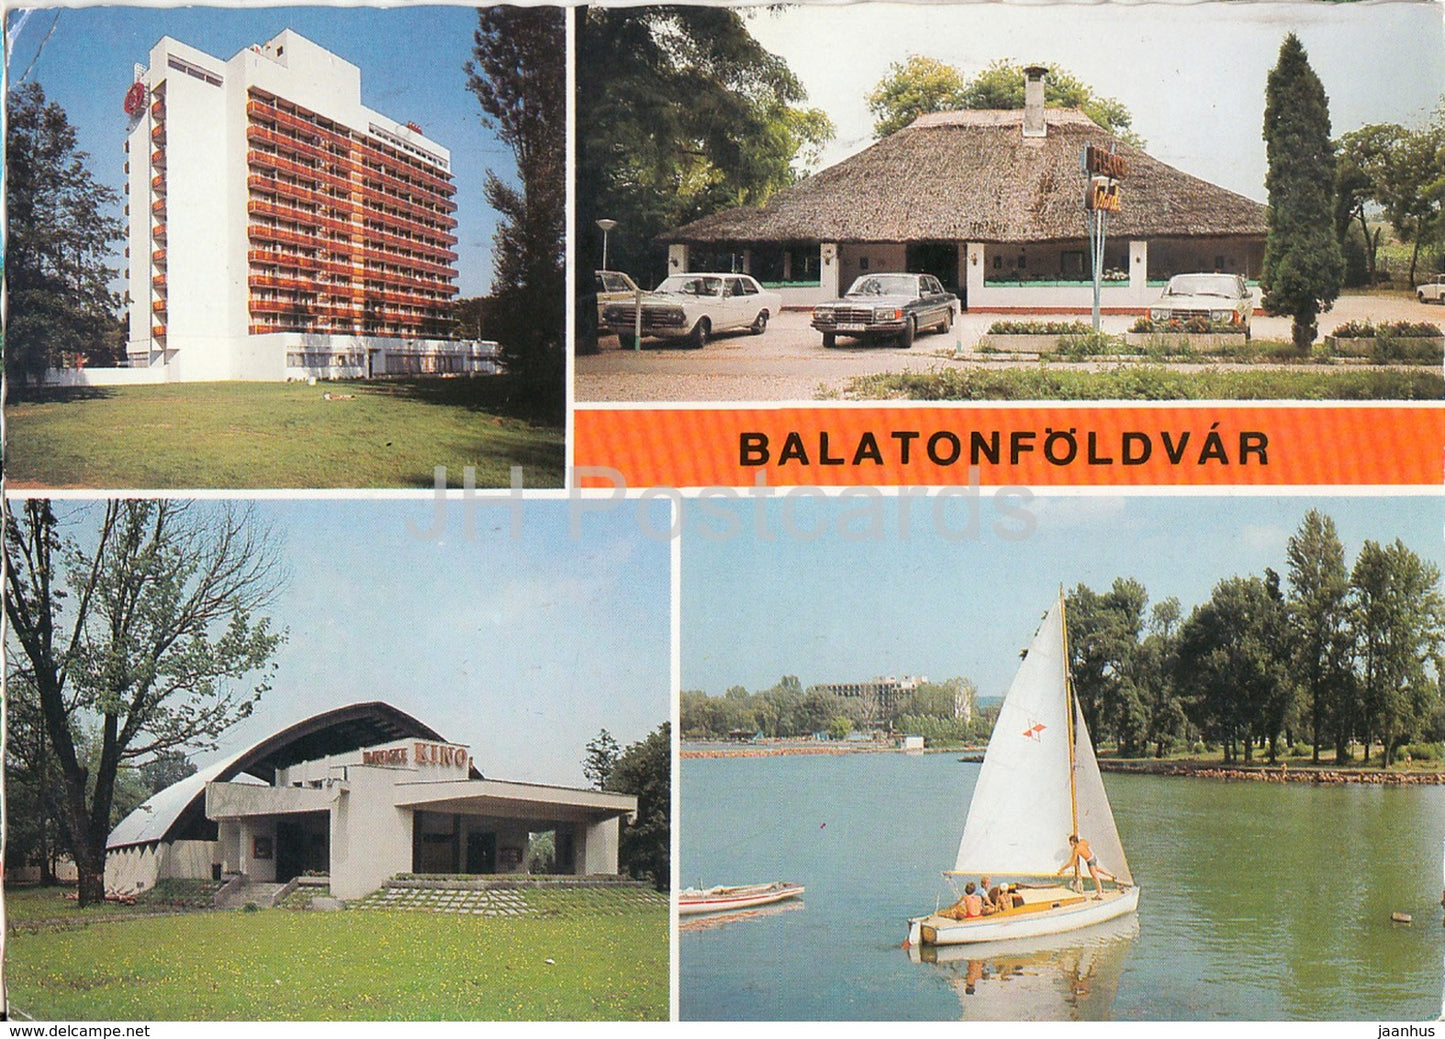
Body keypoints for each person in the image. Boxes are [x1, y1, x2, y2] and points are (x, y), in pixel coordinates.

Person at [1055, 834, 1119, 899]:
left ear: (1073, 842)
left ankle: (1099, 893)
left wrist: (1062, 869)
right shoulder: (1082, 842)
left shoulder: (1076, 850)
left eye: (1070, 842)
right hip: (1093, 857)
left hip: (1089, 861)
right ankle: (1111, 875)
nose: (1069, 844)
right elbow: (1088, 843)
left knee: (1095, 876)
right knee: (1097, 869)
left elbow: (1072, 862)